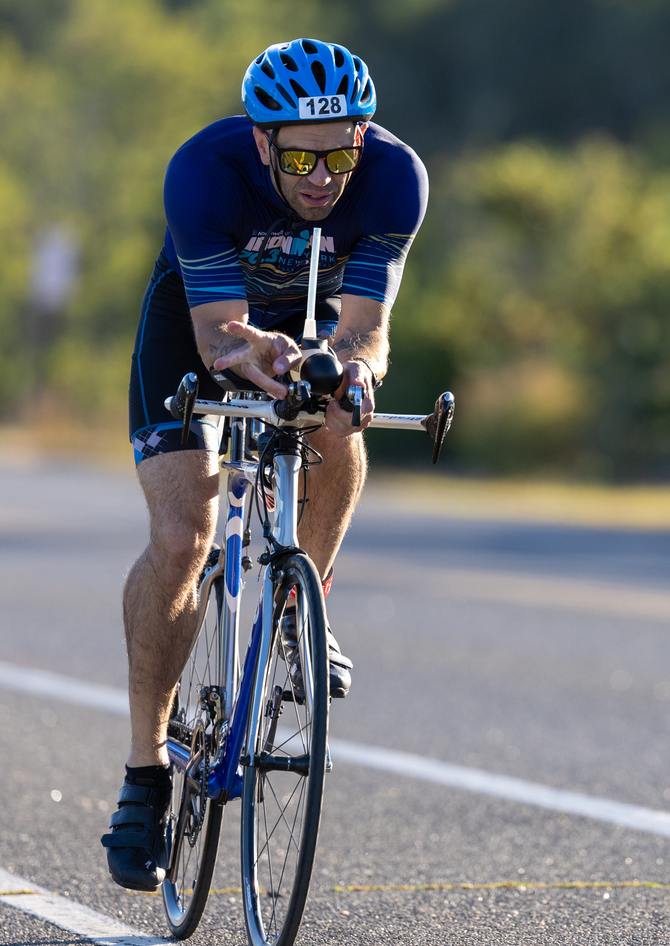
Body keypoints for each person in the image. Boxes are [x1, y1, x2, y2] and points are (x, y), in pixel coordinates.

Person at [102, 38, 428, 891]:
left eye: (341, 153)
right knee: (183, 535)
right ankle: (145, 772)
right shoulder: (204, 171)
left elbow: (368, 328)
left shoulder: (396, 177)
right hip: (202, 323)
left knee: (340, 428)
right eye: (300, 157)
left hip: (312, 325)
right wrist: (264, 354)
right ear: (260, 142)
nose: (323, 177)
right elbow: (218, 338)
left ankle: (302, 606)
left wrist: (352, 368)